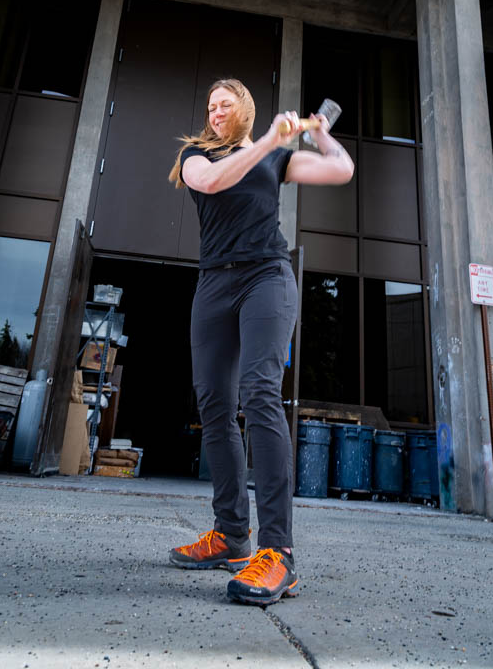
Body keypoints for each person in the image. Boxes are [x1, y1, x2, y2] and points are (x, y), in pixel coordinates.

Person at [167, 78, 354, 606]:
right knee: (214, 404)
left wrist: (317, 133)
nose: (216, 111)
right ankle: (230, 536)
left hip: (266, 276)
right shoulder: (198, 155)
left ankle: (278, 553)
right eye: (210, 106)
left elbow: (342, 169)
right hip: (214, 283)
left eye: (225, 103)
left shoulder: (276, 160)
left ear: (245, 108)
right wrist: (273, 140)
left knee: (259, 394)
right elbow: (211, 184)